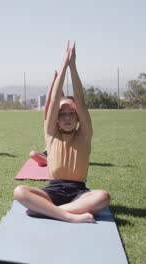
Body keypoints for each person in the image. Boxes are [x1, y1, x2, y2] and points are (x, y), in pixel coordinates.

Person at [14, 42, 110, 223]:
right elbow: (52, 100)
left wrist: (72, 67)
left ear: (78, 116)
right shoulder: (51, 134)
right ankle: (68, 216)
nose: (67, 117)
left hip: (79, 193)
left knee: (103, 197)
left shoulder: (84, 134)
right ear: (56, 119)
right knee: (20, 192)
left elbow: (80, 101)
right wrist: (63, 66)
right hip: (53, 190)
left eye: (72, 113)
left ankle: (47, 211)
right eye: (62, 114)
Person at [29, 71, 61, 166]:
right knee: (32, 154)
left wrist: (57, 82)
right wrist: (53, 82)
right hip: (48, 154)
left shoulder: (62, 124)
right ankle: (52, 162)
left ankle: (55, 162)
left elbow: (60, 99)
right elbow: (47, 104)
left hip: (59, 155)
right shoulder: (48, 126)